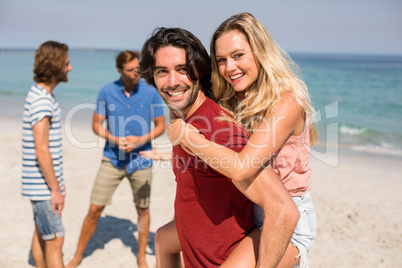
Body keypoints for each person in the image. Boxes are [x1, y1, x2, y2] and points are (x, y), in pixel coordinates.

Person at [167, 12, 318, 267]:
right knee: (165, 239)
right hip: (247, 210)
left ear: (260, 52)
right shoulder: (233, 98)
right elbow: (183, 94)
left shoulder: (286, 103)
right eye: (221, 60)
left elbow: (241, 167)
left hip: (285, 219)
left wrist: (188, 138)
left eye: (238, 56)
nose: (229, 68)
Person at [139, 27, 299, 268]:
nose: (172, 82)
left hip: (227, 257)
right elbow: (164, 238)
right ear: (152, 77)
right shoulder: (184, 119)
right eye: (162, 72)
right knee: (162, 238)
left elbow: (283, 211)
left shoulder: (220, 133)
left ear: (199, 70)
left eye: (182, 70)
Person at [66, 50, 165, 268]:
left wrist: (141, 139)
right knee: (94, 209)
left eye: (138, 68)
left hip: (141, 160)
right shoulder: (106, 92)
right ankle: (77, 256)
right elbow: (95, 125)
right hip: (112, 159)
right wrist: (114, 139)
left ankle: (140, 256)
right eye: (131, 70)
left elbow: (160, 126)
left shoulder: (151, 92)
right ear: (119, 70)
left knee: (143, 209)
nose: (136, 73)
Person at [22, 40, 72, 268]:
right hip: (43, 188)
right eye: (67, 63)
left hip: (40, 185)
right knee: (55, 240)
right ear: (56, 66)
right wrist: (55, 189)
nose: (70, 68)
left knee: (41, 233)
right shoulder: (42, 100)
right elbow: (41, 149)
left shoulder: (39, 95)